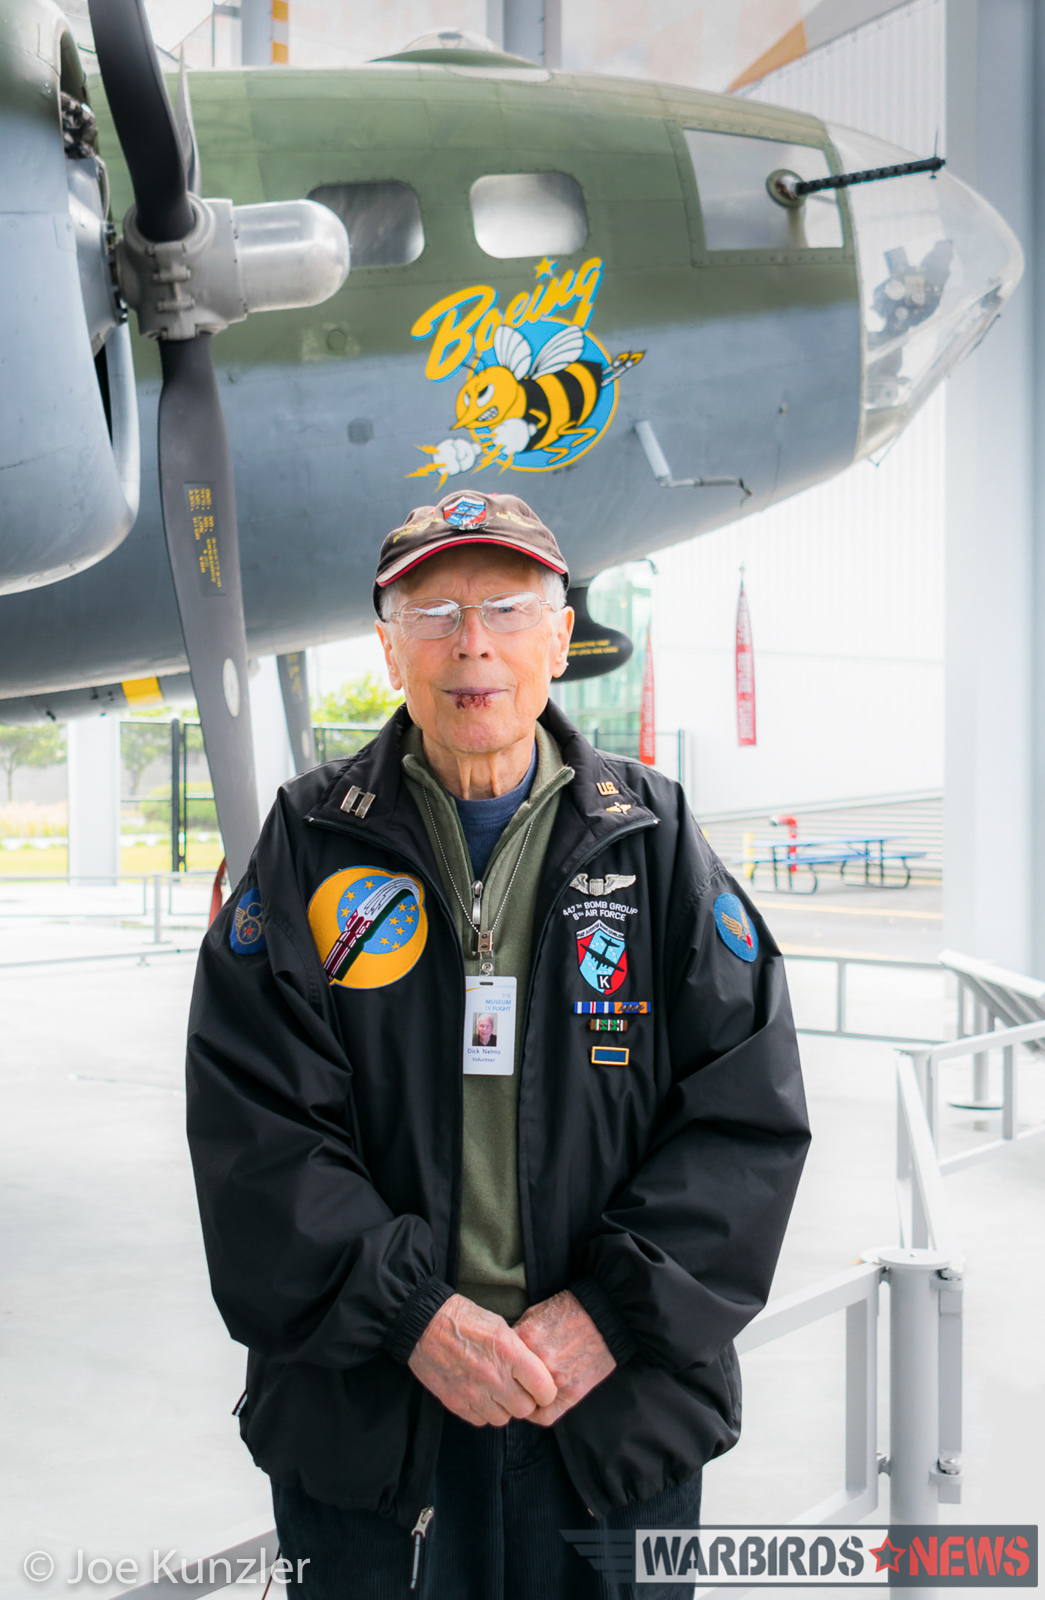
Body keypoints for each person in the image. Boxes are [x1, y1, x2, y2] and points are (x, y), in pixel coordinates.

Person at [186, 489, 810, 1600]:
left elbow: (746, 1114)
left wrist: (613, 1311)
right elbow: (254, 1129)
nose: (471, 643)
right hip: (374, 1426)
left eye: (508, 606)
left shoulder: (656, 841)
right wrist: (412, 1318)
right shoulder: (308, 844)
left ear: (560, 637)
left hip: (608, 1423)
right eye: (431, 614)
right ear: (387, 646)